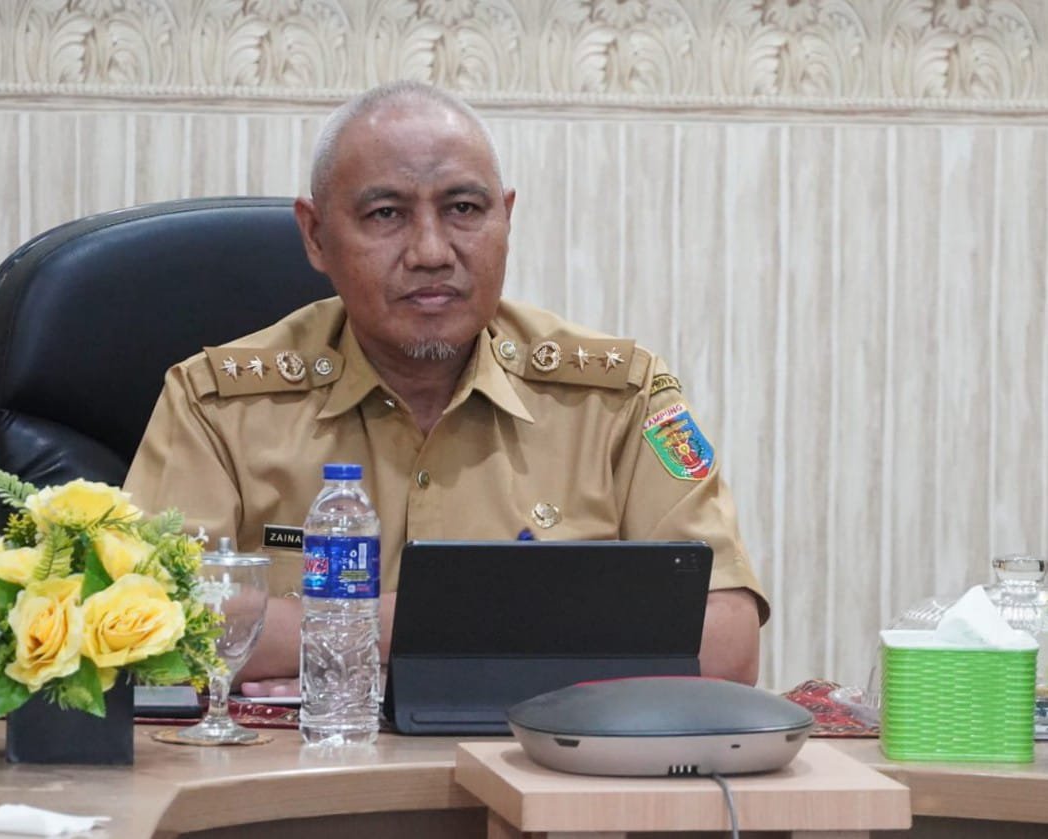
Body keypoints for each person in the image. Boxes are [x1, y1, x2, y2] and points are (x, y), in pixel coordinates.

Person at [123, 81, 768, 696]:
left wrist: (356, 649)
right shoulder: (217, 404)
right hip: (300, 767)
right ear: (316, 236)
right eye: (386, 214)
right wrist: (493, 631)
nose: (431, 251)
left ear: (506, 218)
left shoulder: (617, 399)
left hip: (539, 770)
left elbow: (726, 644)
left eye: (464, 209)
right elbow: (148, 628)